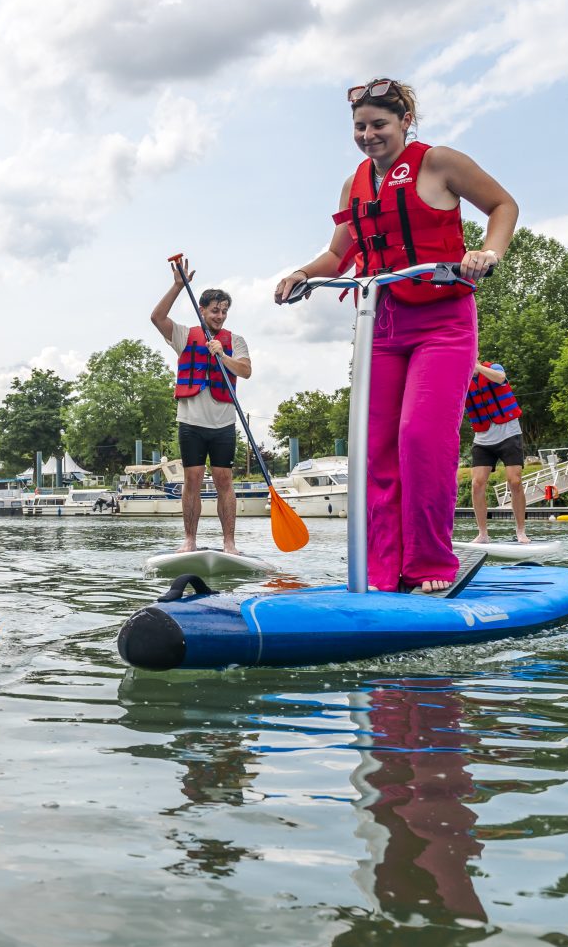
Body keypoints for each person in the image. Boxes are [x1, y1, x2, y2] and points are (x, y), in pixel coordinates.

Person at [273, 79, 517, 592]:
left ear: (406, 121)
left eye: (379, 124)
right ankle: (382, 571)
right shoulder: (354, 184)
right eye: (359, 127)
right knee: (374, 446)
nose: (368, 135)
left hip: (444, 321)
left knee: (420, 437)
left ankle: (431, 564)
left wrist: (487, 254)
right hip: (382, 323)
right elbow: (337, 256)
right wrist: (300, 273)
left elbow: (502, 206)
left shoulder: (440, 163)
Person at [150, 261, 253, 553]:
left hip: (222, 423)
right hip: (191, 422)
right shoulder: (184, 335)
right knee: (192, 480)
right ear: (203, 311)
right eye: (214, 311)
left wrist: (222, 355)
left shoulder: (235, 340)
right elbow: (157, 317)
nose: (219, 316)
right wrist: (178, 286)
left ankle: (229, 544)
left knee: (224, 481)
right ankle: (190, 540)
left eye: (224, 311)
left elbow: (244, 371)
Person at [465, 360, 530, 544]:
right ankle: (483, 534)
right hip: (483, 438)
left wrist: (476, 367)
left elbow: (500, 378)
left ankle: (520, 531)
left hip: (509, 433)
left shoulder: (493, 368)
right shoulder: (462, 379)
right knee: (477, 484)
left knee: (515, 481)